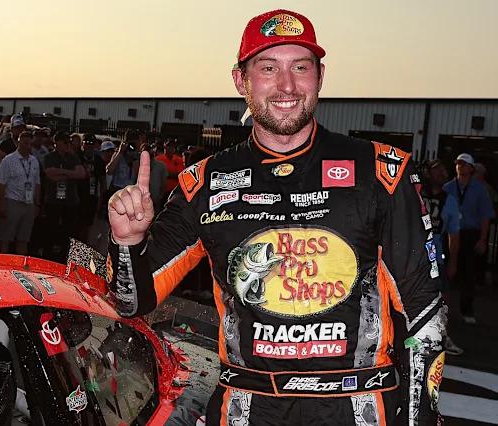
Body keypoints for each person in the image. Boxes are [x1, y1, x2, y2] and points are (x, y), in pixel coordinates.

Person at [107, 9, 444, 425]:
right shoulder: (205, 183)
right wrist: (127, 242)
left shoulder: (381, 173)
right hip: (249, 407)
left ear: (320, 77)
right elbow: (131, 302)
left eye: (300, 67)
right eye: (268, 68)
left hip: (357, 405)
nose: (287, 85)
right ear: (240, 81)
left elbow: (423, 314)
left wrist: (420, 418)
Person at [443, 153, 495, 324]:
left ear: (471, 169)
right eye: (458, 163)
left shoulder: (480, 189)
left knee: (469, 272)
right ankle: (441, 308)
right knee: (445, 270)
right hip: (449, 233)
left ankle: (467, 309)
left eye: (464, 164)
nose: (460, 166)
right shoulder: (448, 187)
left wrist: (483, 239)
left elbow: (485, 216)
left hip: (470, 233)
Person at [421, 159, 463, 355]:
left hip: (435, 257)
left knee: (442, 297)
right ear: (428, 173)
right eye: (437, 170)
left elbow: (454, 234)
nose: (442, 173)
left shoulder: (450, 200)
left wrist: (452, 262)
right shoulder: (416, 195)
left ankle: (442, 336)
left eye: (444, 170)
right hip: (412, 256)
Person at [42, 131, 86, 261]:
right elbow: (50, 174)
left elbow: (81, 174)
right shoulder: (49, 157)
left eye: (69, 142)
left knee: (69, 232)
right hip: (53, 200)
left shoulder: (73, 157)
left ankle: (65, 258)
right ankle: (48, 257)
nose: (68, 145)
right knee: (51, 230)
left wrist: (60, 172)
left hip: (70, 201)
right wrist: (71, 174)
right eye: (65, 142)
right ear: (57, 143)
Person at [0, 131, 41, 254]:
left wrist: (37, 203)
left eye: (30, 144)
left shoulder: (34, 161)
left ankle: (21, 263)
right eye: (25, 143)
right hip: (12, 201)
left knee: (23, 239)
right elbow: (1, 184)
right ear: (19, 143)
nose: (28, 146)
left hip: (29, 203)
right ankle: (2, 262)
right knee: (5, 238)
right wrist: (2, 205)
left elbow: (37, 183)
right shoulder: (8, 160)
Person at [76, 134, 106, 244]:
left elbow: (103, 182)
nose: (89, 146)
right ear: (82, 143)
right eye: (87, 143)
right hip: (76, 196)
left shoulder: (98, 160)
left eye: (91, 143)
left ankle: (83, 246)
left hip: (91, 197)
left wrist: (100, 201)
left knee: (88, 226)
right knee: (76, 226)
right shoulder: (77, 157)